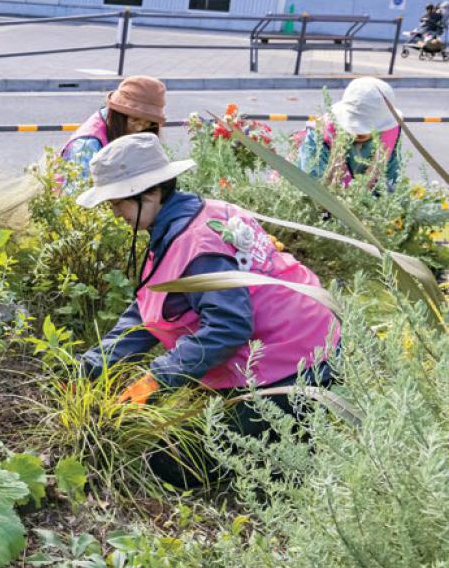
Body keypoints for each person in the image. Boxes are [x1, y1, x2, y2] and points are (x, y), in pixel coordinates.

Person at [77, 134, 340, 486]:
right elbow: (150, 306)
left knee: (170, 463)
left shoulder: (196, 243)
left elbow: (227, 329)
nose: (114, 213)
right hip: (304, 344)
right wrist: (94, 366)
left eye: (117, 203)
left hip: (293, 367)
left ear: (150, 192)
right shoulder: (193, 217)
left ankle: (294, 447)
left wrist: (156, 379)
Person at [295, 76, 402, 191]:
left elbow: (392, 182)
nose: (359, 134)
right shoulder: (319, 136)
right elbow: (310, 189)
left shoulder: (388, 133)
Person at [60, 75, 167, 178]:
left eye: (147, 123)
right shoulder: (88, 144)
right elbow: (77, 191)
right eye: (135, 120)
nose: (139, 128)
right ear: (119, 114)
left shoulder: (116, 125)